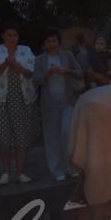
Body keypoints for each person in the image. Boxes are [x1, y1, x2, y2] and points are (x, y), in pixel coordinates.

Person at [0, 22, 39, 185]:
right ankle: (6, 171)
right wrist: (6, 63)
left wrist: (17, 66)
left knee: (22, 136)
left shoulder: (26, 51)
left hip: (22, 99)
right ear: (3, 36)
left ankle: (20, 172)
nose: (12, 38)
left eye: (15, 35)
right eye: (9, 34)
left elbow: (32, 74)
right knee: (3, 137)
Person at [33, 28, 83, 182]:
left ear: (59, 41)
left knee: (67, 133)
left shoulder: (66, 55)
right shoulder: (40, 60)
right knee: (52, 136)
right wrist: (48, 73)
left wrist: (66, 71)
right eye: (48, 41)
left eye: (54, 40)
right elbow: (36, 80)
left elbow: (79, 72)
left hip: (68, 100)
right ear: (44, 44)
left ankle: (72, 166)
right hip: (49, 103)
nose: (52, 44)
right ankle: (57, 170)